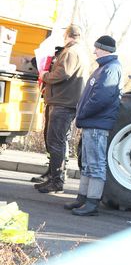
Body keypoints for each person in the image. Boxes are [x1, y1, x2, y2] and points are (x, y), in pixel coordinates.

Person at [64, 35, 121, 216]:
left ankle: (92, 202)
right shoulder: (104, 68)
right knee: (88, 164)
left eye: (97, 48)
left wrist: (83, 113)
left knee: (96, 164)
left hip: (97, 124)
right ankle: (83, 198)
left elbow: (101, 98)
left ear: (104, 49)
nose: (94, 51)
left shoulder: (110, 69)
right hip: (92, 123)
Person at [36, 25, 88, 193]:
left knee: (56, 142)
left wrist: (45, 76)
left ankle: (56, 181)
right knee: (58, 142)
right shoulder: (78, 51)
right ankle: (54, 177)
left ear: (68, 36)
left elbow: (63, 73)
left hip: (62, 103)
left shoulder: (71, 52)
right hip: (65, 102)